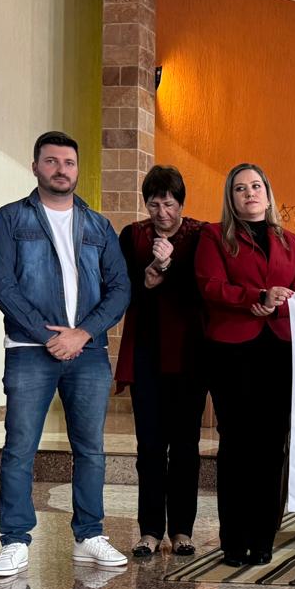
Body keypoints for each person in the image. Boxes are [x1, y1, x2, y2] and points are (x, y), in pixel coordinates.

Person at [0, 131, 131, 579]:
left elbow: (120, 287)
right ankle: (14, 540)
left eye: (68, 162)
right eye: (51, 161)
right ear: (36, 167)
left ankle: (90, 535)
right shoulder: (11, 218)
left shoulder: (98, 226)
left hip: (88, 351)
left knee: (91, 449)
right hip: (30, 351)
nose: (61, 170)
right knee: (19, 448)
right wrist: (48, 335)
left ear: (77, 170)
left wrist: (82, 333)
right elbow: (1, 284)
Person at [195, 163, 295, 567]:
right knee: (237, 444)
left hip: (279, 349)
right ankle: (234, 539)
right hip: (233, 351)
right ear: (231, 197)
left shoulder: (289, 240)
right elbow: (210, 286)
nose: (250, 193)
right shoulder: (215, 236)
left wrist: (280, 301)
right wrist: (256, 296)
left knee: (272, 445)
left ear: (268, 193)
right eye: (241, 188)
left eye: (256, 186)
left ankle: (264, 537)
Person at [115, 165, 206, 558]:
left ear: (181, 203)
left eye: (169, 204)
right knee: (150, 446)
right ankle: (149, 531)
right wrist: (146, 279)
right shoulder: (133, 236)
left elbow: (204, 289)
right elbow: (119, 290)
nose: (162, 213)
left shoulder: (201, 235)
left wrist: (168, 268)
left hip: (189, 354)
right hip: (147, 353)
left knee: (185, 446)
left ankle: (182, 530)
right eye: (154, 205)